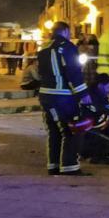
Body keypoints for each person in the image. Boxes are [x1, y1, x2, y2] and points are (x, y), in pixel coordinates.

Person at [38, 22, 91, 176]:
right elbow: (73, 72)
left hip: (46, 95)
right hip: (62, 96)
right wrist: (83, 94)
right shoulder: (67, 47)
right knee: (71, 130)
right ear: (66, 31)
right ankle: (69, 166)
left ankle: (53, 165)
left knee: (54, 131)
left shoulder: (44, 48)